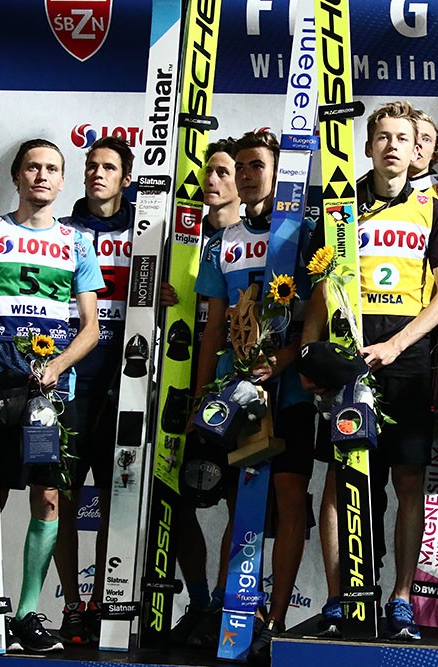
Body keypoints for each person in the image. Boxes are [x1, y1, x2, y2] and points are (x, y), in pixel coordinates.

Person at [301, 100, 438, 642]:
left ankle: (401, 599)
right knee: (339, 478)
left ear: (416, 150)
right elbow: (321, 287)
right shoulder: (339, 206)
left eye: (402, 138)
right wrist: (309, 353)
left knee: (408, 479)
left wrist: (397, 343)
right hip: (346, 357)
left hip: (406, 361)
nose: (392, 145)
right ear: (368, 146)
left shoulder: (432, 209)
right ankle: (338, 598)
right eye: (383, 137)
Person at [0, 138, 104, 652]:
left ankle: (28, 616)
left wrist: (57, 365)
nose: (42, 176)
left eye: (52, 168)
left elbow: (91, 327)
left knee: (49, 495)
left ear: (63, 180)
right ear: (16, 176)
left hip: (48, 394)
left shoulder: (77, 242)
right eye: (33, 167)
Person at [189, 130, 316, 661]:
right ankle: (232, 609)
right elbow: (213, 329)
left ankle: (277, 619)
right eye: (238, 166)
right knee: (244, 499)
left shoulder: (303, 233)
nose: (244, 174)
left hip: (290, 389)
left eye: (255, 165)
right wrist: (201, 396)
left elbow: (320, 308)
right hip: (238, 389)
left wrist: (287, 358)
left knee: (288, 497)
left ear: (279, 173)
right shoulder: (223, 241)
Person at [51, 136, 135, 645]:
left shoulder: (145, 232)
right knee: (61, 498)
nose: (97, 174)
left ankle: (103, 600)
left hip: (123, 388)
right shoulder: (62, 231)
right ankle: (71, 606)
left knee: (112, 501)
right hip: (69, 385)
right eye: (91, 166)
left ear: (126, 178)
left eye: (108, 167)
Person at [169, 137, 248, 648]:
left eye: (223, 171)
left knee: (242, 504)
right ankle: (199, 602)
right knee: (176, 500)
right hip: (180, 381)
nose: (212, 180)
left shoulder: (260, 237)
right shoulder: (181, 237)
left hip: (236, 385)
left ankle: (224, 606)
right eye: (208, 172)